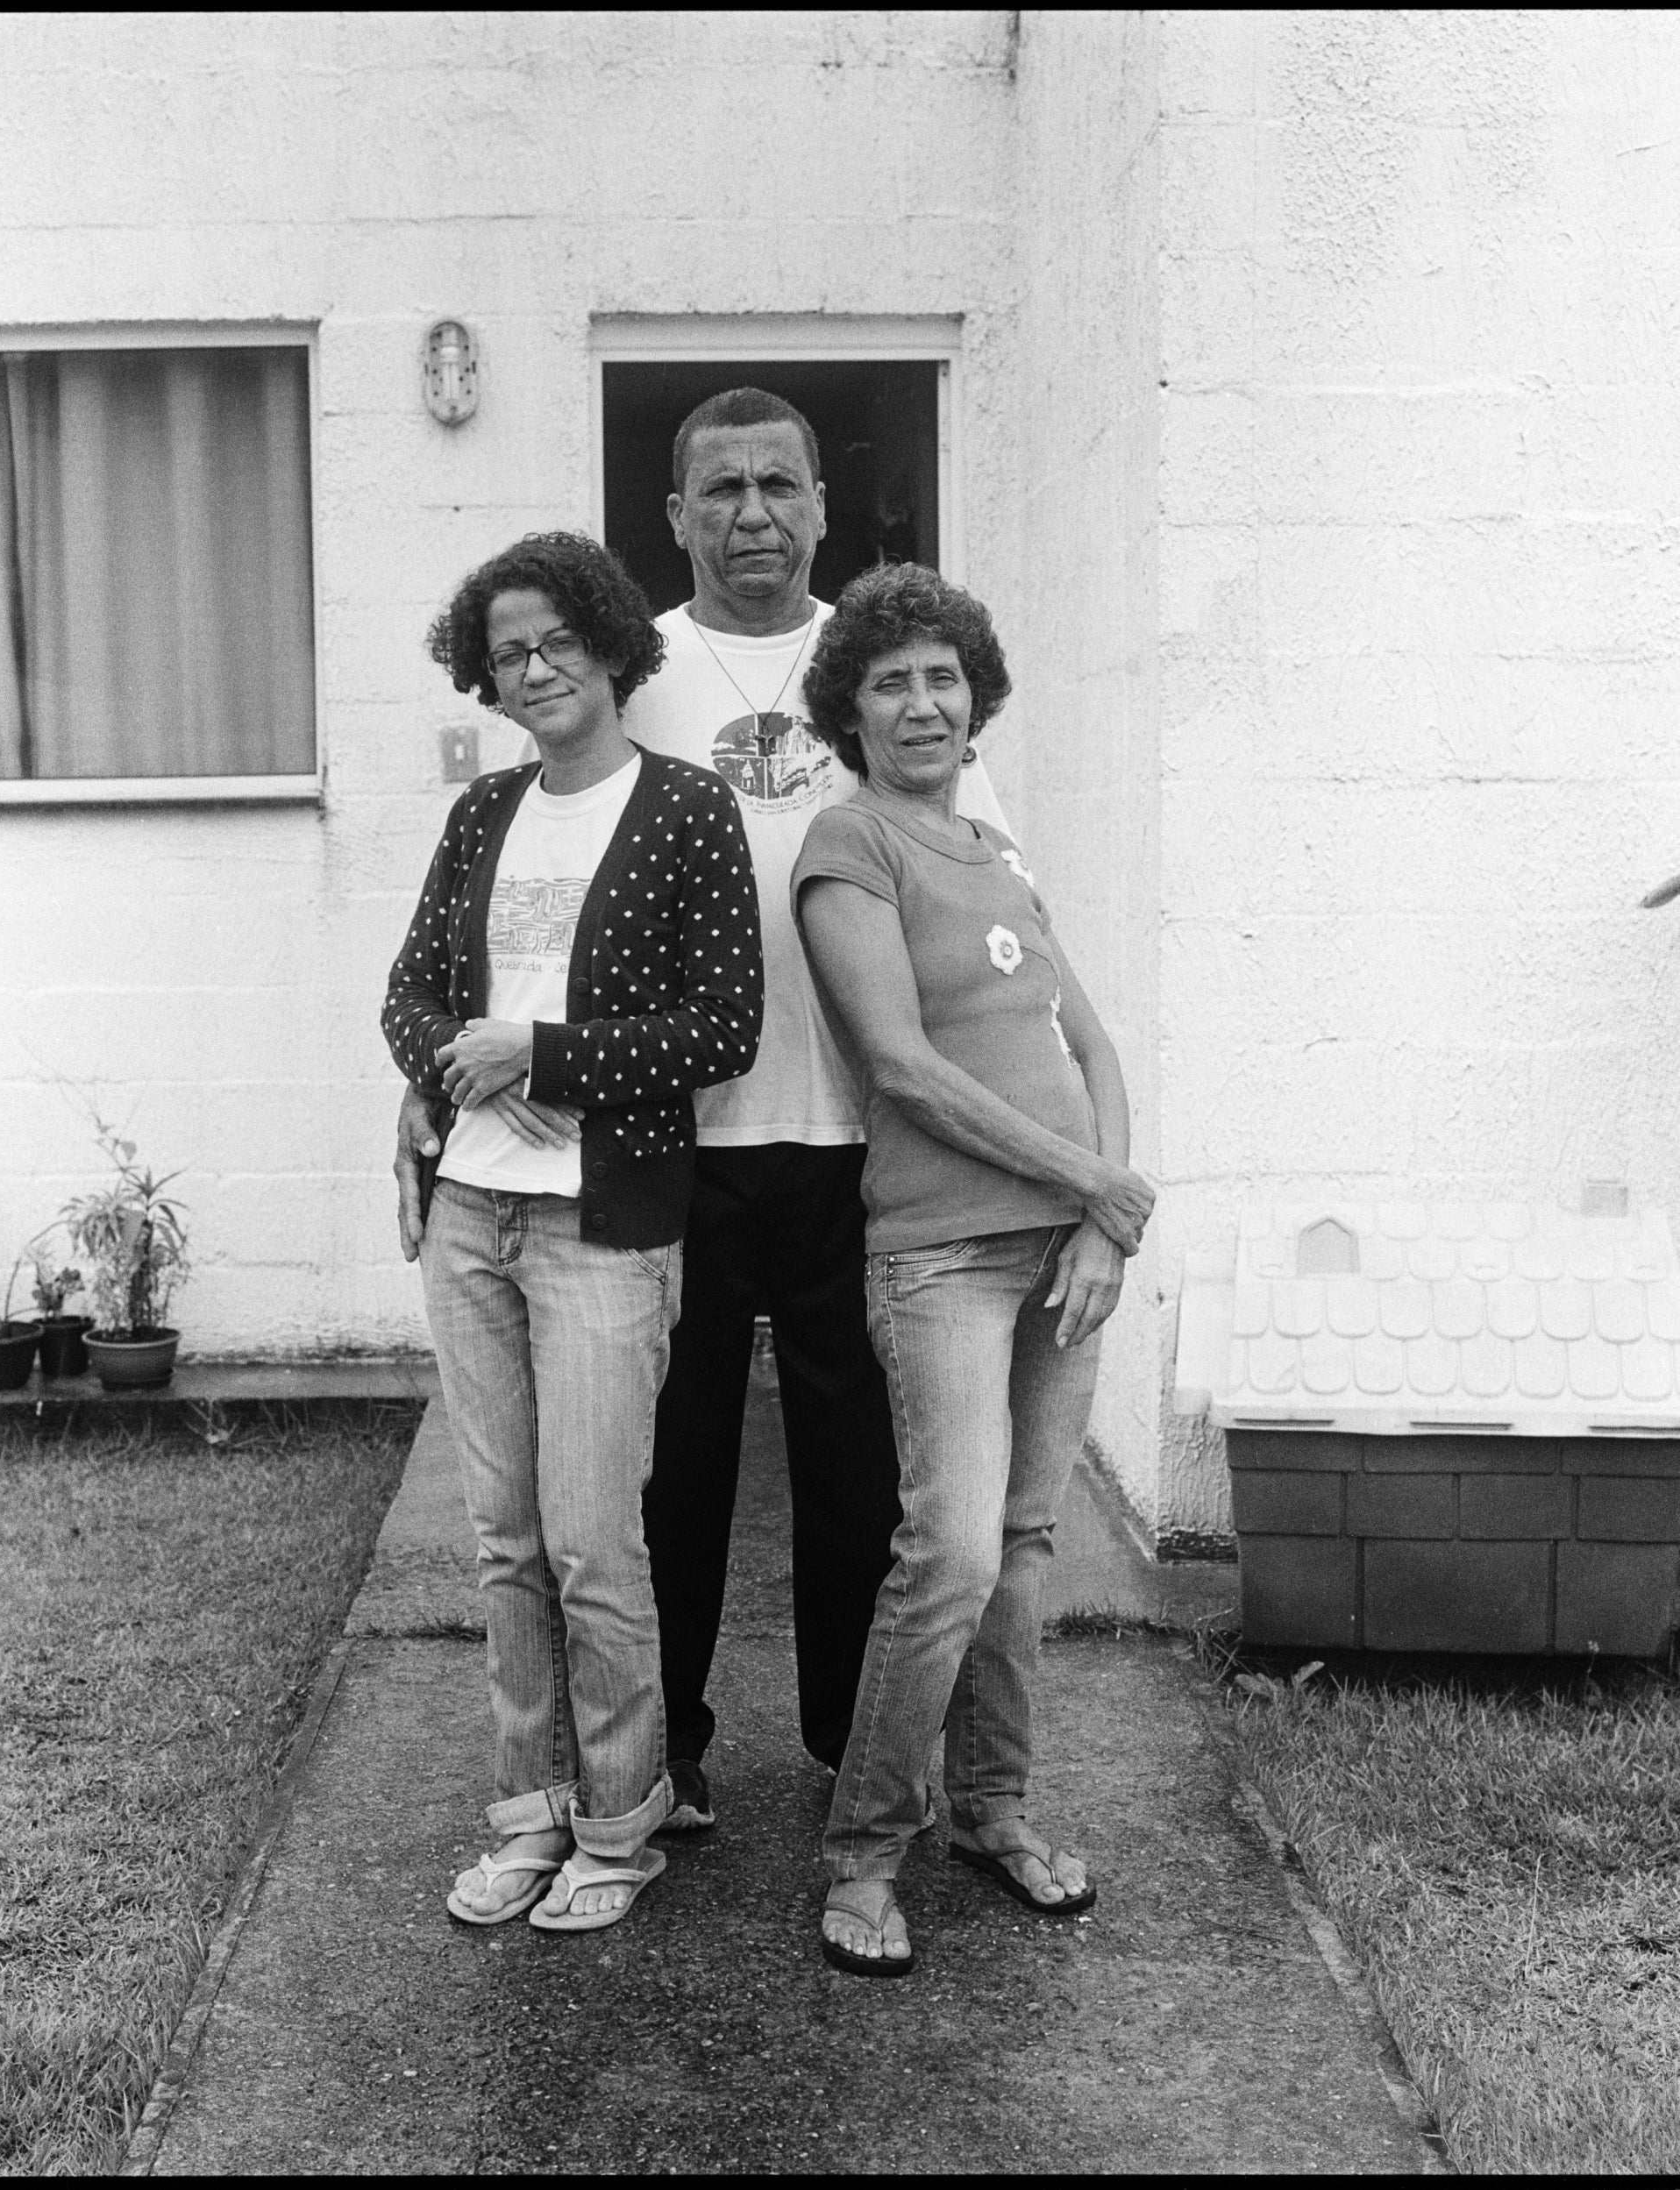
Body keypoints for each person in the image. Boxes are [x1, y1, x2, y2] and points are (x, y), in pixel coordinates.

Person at [395, 388, 1020, 1831]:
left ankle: (847, 1755)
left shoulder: (876, 666)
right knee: (660, 1481)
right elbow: (508, 921)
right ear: (673, 516)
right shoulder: (629, 664)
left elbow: (987, 880)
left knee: (859, 1478)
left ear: (820, 503)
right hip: (665, 1144)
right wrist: (428, 1083)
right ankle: (652, 1759)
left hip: (863, 1136)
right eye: (720, 488)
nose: (752, 512)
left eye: (779, 484)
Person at [382, 531, 762, 1933]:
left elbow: (726, 1031)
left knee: (597, 1537)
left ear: (611, 647)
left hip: (606, 1227)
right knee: (504, 1539)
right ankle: (529, 1811)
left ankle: (622, 1820)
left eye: (556, 643)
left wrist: (537, 1054)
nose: (534, 669)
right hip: (469, 1216)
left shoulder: (686, 811)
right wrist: (455, 1073)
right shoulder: (483, 814)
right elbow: (409, 1001)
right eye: (508, 654)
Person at [787, 562, 1157, 1978]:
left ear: (975, 699)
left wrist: (1105, 1216)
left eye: (944, 677)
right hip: (943, 1254)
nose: (923, 701)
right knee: (944, 1551)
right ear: (852, 710)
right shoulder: (849, 844)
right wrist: (1097, 1184)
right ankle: (865, 1849)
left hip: (1067, 1252)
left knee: (1024, 1547)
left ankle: (994, 1807)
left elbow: (1097, 1047)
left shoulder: (999, 856)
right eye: (891, 680)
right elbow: (900, 1064)